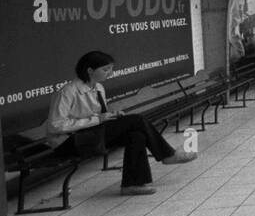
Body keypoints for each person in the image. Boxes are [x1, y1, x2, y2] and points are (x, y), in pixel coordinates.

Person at [47, 51, 197, 196]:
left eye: (111, 69)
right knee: (136, 120)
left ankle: (132, 185)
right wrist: (97, 119)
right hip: (69, 142)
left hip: (92, 134)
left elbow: (98, 116)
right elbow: (56, 125)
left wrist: (111, 116)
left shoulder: (98, 87)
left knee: (136, 135)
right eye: (105, 69)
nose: (110, 73)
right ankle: (167, 154)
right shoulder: (67, 92)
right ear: (90, 70)